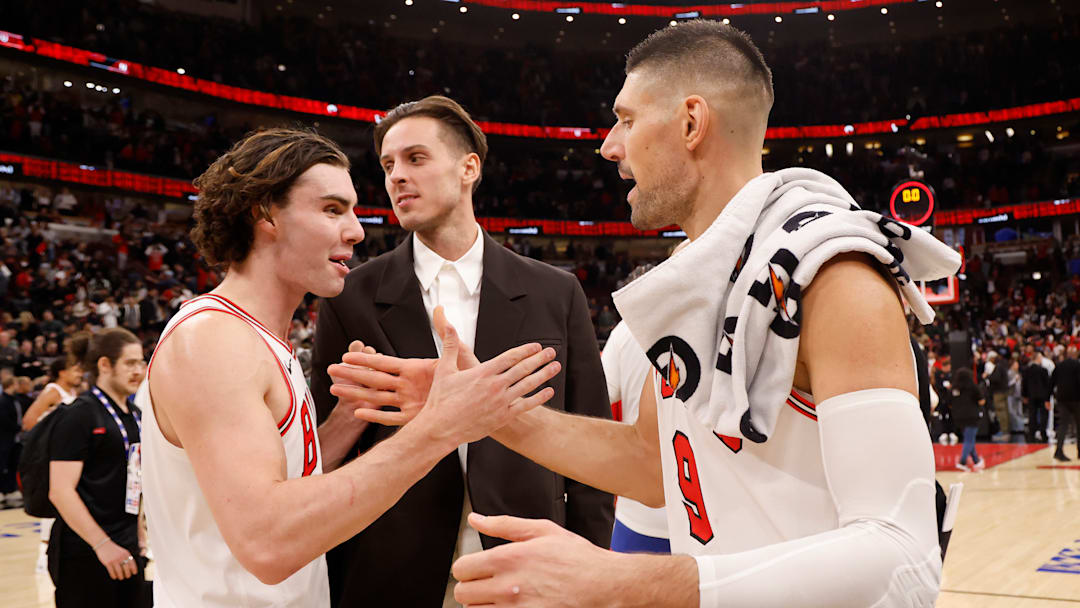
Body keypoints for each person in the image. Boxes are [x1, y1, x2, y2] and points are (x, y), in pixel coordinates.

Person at [337, 21, 958, 607]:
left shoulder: (831, 274)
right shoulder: (698, 281)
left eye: (626, 120)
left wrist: (624, 580)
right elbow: (653, 465)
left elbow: (903, 553)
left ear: (692, 122)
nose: (609, 147)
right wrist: (482, 411)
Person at [137, 128, 560, 608]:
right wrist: (440, 427)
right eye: (332, 210)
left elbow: (287, 490)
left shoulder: (258, 338)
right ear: (264, 214)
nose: (357, 231)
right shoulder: (213, 341)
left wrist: (346, 420)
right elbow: (268, 541)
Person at [310, 95, 613, 607]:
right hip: (392, 566)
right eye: (387, 165)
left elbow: (593, 445)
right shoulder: (350, 296)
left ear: (469, 167)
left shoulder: (554, 292)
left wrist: (589, 564)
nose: (397, 177)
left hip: (529, 559)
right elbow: (326, 452)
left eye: (416, 158)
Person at [47, 328, 148, 607]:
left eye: (141, 362)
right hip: (85, 549)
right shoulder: (79, 414)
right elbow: (60, 491)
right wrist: (102, 545)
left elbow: (133, 477)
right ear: (105, 365)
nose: (138, 370)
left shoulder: (136, 415)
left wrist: (138, 534)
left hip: (126, 544)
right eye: (129, 363)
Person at [23, 355, 83, 430]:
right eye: (76, 371)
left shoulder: (73, 391)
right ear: (62, 373)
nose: (80, 374)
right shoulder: (53, 391)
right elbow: (28, 421)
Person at [950, 368, 986, 472]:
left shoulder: (954, 388)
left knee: (968, 439)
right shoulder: (973, 387)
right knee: (969, 440)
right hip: (972, 416)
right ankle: (962, 462)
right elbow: (981, 401)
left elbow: (949, 403)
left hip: (958, 417)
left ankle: (976, 461)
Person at [1050, 346, 1080, 461]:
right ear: (1076, 354)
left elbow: (1051, 382)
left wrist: (1047, 398)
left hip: (1062, 399)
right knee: (1079, 426)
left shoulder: (1059, 365)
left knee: (1062, 426)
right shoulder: (1078, 365)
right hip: (1076, 399)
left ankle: (1058, 451)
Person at [1023, 352, 1052, 442]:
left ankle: (1031, 434)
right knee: (1043, 415)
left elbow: (1024, 384)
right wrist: (1048, 397)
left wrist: (1024, 395)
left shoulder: (1027, 370)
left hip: (1031, 395)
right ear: (1038, 359)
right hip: (1042, 396)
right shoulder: (1043, 370)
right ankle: (1043, 433)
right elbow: (1048, 385)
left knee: (1032, 415)